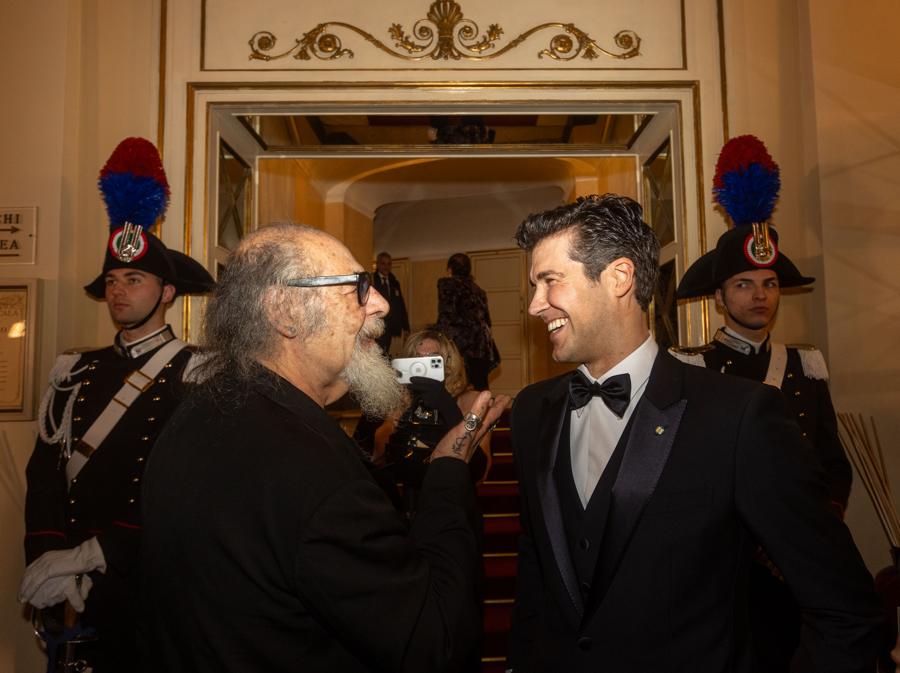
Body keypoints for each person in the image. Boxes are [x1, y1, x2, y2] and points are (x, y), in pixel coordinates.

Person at [506, 194, 880, 672]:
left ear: (619, 277)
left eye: (550, 281)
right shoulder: (532, 411)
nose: (535, 305)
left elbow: (846, 608)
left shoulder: (738, 416)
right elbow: (536, 568)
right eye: (534, 286)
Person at [138, 223, 509, 673]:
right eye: (357, 288)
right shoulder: (313, 471)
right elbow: (434, 640)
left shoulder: (197, 412)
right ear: (286, 310)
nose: (381, 304)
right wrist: (448, 470)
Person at [18, 137, 215, 672]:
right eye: (111, 281)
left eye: (133, 279)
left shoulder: (196, 372)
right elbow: (45, 476)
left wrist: (107, 551)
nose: (119, 292)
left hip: (151, 580)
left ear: (167, 292)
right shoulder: (73, 370)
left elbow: (193, 489)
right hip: (71, 585)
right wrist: (49, 558)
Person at [670, 137, 852, 672]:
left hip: (802, 564)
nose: (760, 295)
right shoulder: (692, 368)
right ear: (719, 297)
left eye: (769, 284)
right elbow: (687, 476)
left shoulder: (805, 364)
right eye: (744, 284)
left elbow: (832, 462)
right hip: (729, 570)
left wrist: (810, 532)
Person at [380, 330, 492, 503]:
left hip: (455, 503)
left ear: (449, 363)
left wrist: (447, 406)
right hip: (413, 504)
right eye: (417, 359)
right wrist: (393, 424)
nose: (422, 366)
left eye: (432, 359)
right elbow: (381, 458)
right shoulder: (401, 404)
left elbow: (480, 471)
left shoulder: (471, 401)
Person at [435, 252, 498, 390]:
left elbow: (446, 315)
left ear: (450, 269)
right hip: (481, 346)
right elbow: (487, 321)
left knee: (455, 386)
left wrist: (439, 340)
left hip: (459, 345)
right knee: (479, 386)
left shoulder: (447, 284)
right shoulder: (479, 290)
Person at [372, 251, 409, 355]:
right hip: (377, 325)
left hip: (391, 326)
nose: (386, 267)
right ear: (378, 264)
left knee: (385, 353)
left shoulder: (394, 283)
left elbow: (401, 305)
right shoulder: (372, 280)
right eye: (383, 263)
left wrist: (406, 327)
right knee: (377, 354)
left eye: (389, 264)